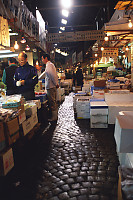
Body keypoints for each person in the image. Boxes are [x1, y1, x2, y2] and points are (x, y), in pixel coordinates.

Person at [38, 53, 59, 121]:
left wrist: (56, 83)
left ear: (46, 58)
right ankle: (54, 116)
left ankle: (54, 117)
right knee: (53, 101)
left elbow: (52, 75)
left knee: (52, 102)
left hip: (51, 86)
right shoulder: (49, 65)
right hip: (51, 86)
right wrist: (38, 78)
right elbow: (45, 73)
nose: (42, 60)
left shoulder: (49, 65)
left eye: (42, 59)